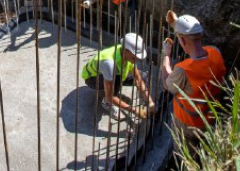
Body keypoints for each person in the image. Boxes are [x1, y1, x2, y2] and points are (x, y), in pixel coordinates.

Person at [160, 10, 226, 149]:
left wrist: (166, 55)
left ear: (182, 40)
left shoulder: (183, 70)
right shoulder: (216, 52)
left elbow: (167, 85)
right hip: (212, 119)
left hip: (188, 125)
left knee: (184, 156)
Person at [82, 33, 155, 121]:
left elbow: (138, 79)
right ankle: (107, 103)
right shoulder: (109, 63)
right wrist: (134, 110)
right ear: (125, 51)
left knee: (143, 76)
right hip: (92, 78)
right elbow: (110, 96)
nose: (137, 60)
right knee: (117, 80)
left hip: (112, 73)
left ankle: (142, 99)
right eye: (134, 57)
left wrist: (150, 101)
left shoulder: (128, 55)